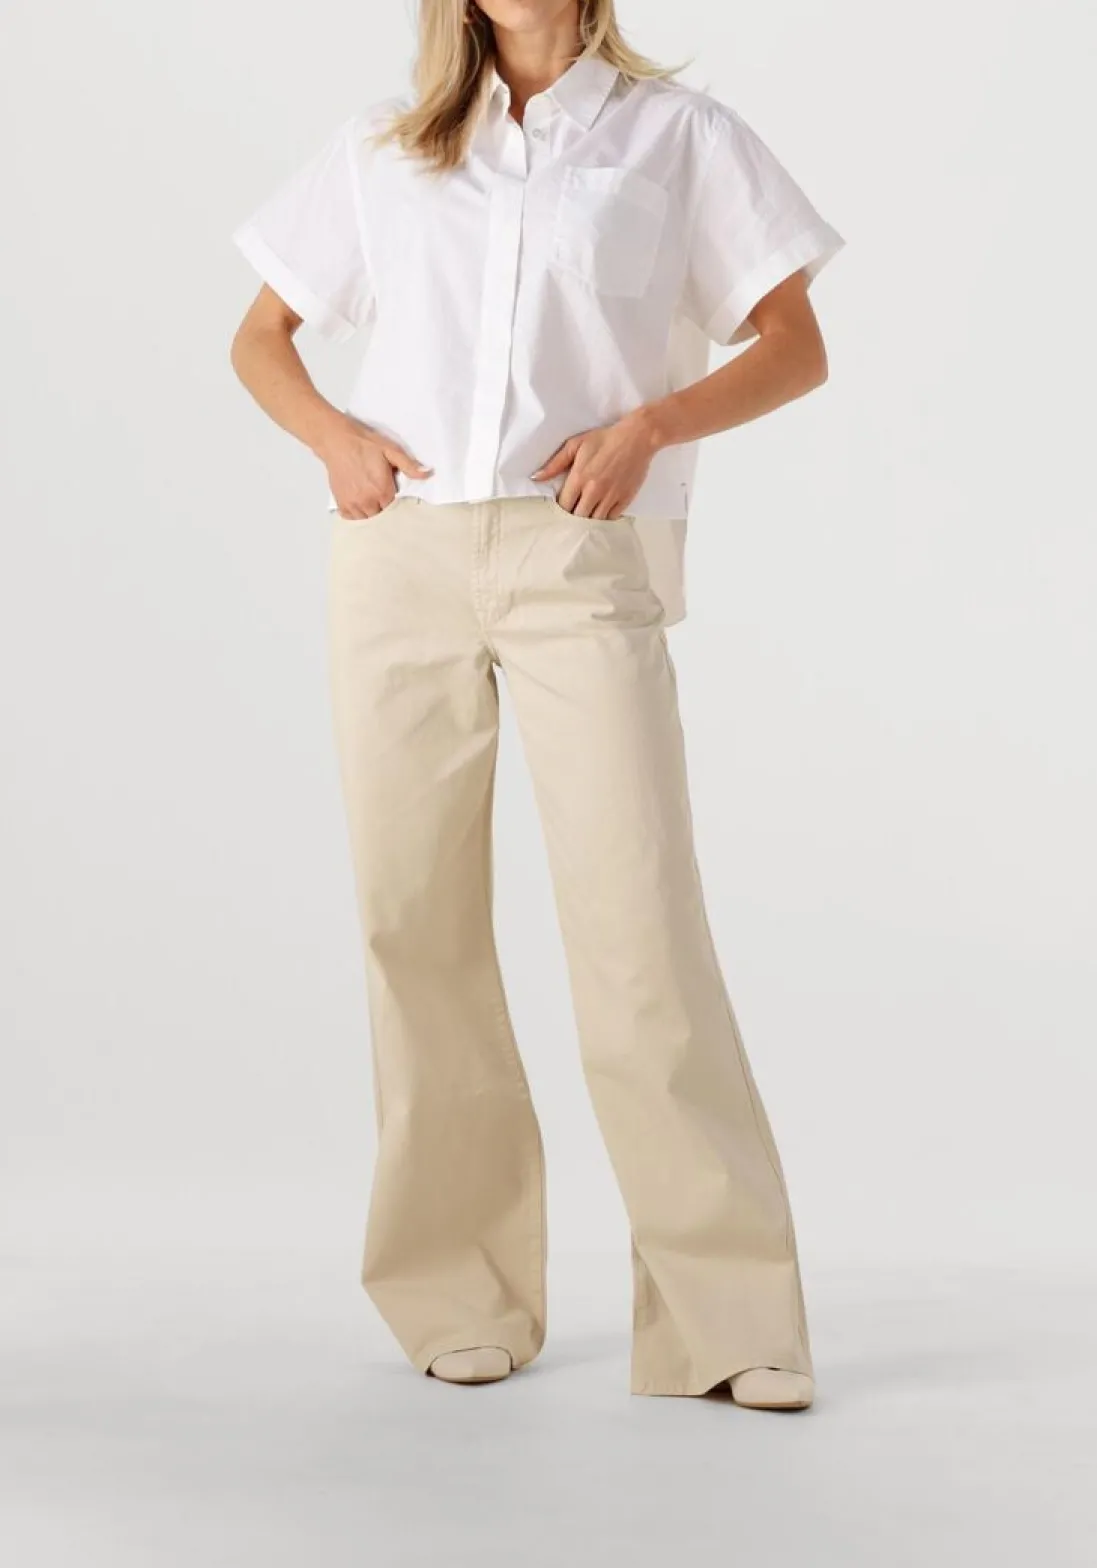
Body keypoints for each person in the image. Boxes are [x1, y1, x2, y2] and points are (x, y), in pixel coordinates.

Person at [229, 0, 844, 1410]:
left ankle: (727, 1322)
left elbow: (795, 344)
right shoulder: (386, 149)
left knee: (641, 929)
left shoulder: (677, 136)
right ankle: (457, 1292)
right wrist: (335, 442)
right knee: (414, 924)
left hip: (579, 548)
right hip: (399, 556)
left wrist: (652, 428)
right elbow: (261, 336)